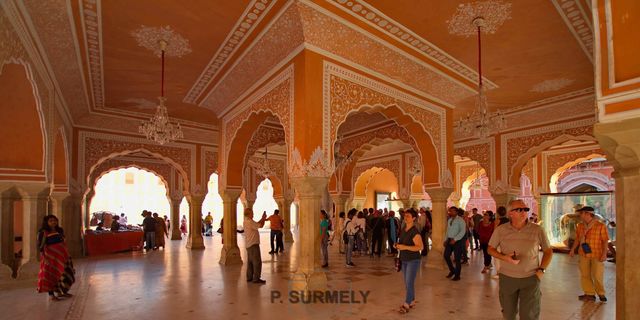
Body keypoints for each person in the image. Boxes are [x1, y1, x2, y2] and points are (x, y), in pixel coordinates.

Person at [488, 199, 553, 320]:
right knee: (508, 313)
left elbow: (548, 251)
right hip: (507, 278)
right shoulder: (501, 230)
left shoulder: (537, 230)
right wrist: (504, 258)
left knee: (529, 314)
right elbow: (490, 249)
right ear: (510, 213)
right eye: (519, 210)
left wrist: (541, 271)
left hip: (530, 278)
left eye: (525, 209)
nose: (523, 212)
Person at [569, 206, 609, 302]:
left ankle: (601, 293)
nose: (580, 215)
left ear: (587, 214)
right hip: (583, 254)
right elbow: (578, 239)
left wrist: (604, 254)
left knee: (597, 275)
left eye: (581, 213)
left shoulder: (600, 226)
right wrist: (573, 249)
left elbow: (605, 241)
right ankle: (589, 294)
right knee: (585, 274)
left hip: (597, 254)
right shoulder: (580, 226)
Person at [37, 215, 75, 301]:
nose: (53, 222)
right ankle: (51, 295)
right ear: (46, 222)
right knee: (51, 275)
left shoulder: (59, 230)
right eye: (51, 221)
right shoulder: (43, 232)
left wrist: (67, 255)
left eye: (55, 220)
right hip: (50, 257)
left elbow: (63, 242)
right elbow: (41, 247)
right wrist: (45, 258)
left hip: (62, 256)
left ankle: (62, 291)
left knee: (64, 274)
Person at [394, 208, 423, 314]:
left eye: (408, 216)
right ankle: (412, 300)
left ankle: (406, 303)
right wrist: (397, 245)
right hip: (404, 259)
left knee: (409, 282)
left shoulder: (415, 232)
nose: (405, 218)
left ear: (414, 218)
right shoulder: (403, 229)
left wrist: (404, 247)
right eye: (405, 216)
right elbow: (401, 242)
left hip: (413, 260)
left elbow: (420, 247)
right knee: (407, 283)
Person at [243, 208, 267, 284]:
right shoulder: (249, 222)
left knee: (250, 262)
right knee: (257, 262)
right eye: (252, 213)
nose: (253, 214)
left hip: (249, 244)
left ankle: (249, 277)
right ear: (249, 214)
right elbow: (261, 225)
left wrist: (262, 218)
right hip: (253, 244)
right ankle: (256, 278)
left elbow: (257, 224)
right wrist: (263, 218)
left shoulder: (246, 221)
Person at [444, 206, 466, 281]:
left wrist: (455, 239)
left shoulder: (460, 220)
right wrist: (445, 239)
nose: (450, 212)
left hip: (457, 241)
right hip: (449, 240)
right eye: (450, 211)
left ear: (456, 212)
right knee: (446, 256)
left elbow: (463, 231)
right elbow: (447, 231)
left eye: (452, 211)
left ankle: (457, 275)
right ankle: (452, 270)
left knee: (457, 259)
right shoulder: (449, 220)